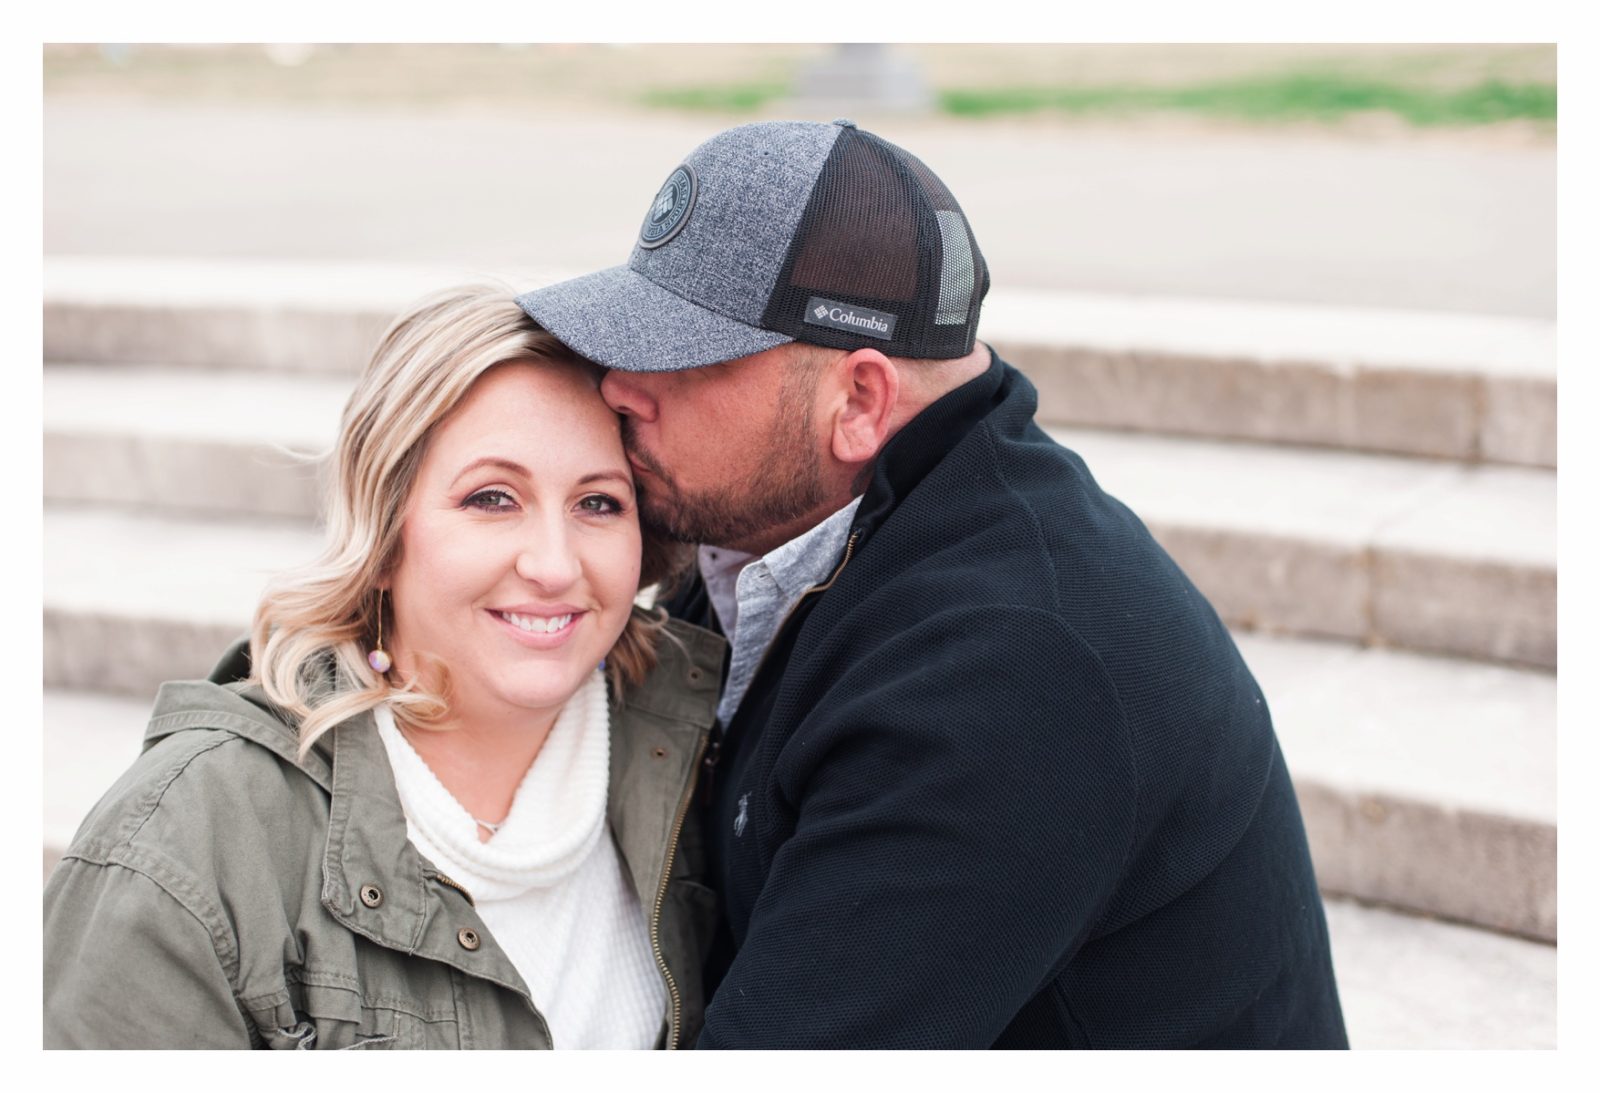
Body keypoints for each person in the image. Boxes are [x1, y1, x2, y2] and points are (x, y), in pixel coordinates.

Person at [515, 119, 1350, 1049]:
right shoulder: (783, 522)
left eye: (685, 355)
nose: (621, 387)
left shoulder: (1006, 670)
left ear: (861, 401)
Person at [43, 286, 725, 1049]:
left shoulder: (703, 746)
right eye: (492, 498)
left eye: (598, 503)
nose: (555, 564)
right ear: (384, 533)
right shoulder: (183, 844)